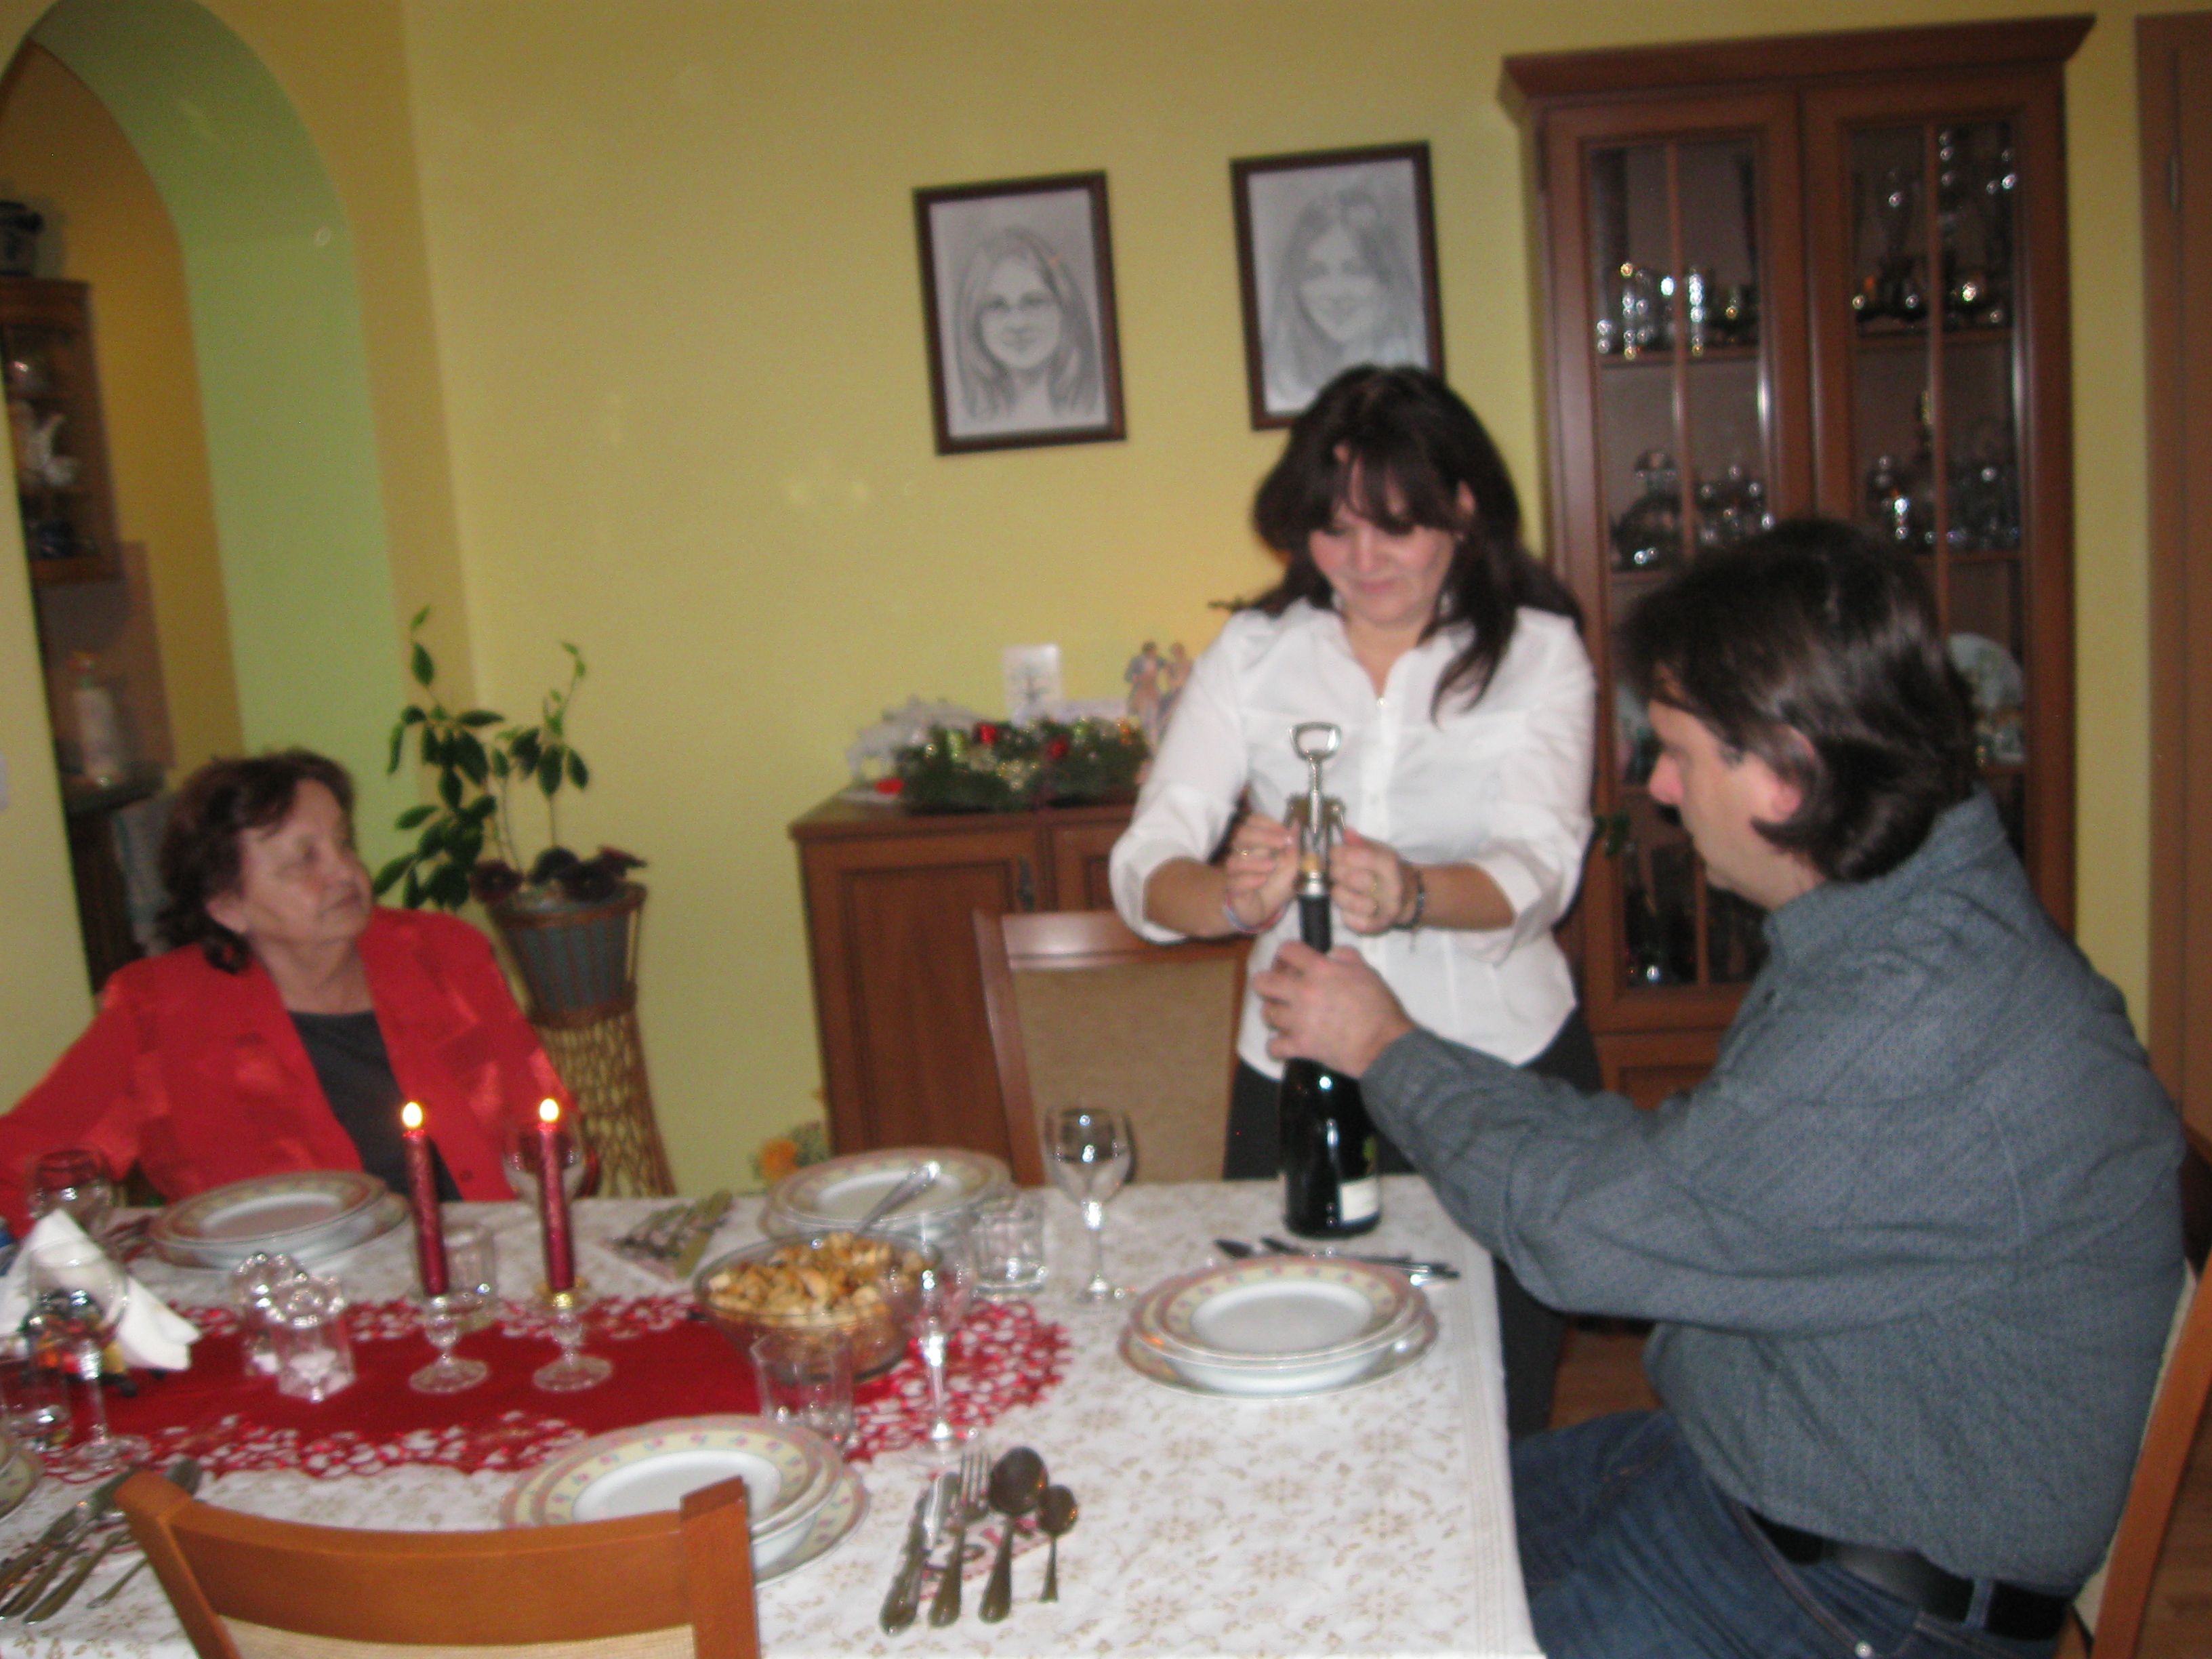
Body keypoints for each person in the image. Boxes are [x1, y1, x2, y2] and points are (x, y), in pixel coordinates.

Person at [1254, 519, 2184, 1659]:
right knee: (1371, 1523)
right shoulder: (1886, 916)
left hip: (1854, 1599)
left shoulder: (1915, 1018)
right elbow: (1667, 1172)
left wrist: (1387, 1050)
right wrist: (1395, 1044)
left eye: (1677, 752)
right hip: (1749, 1479)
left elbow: (1583, 1234)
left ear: (1785, 774)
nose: (1655, 787)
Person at [1108, 365, 1598, 1435]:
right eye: (1334, 531)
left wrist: (1417, 893)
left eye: (1396, 529)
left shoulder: (1540, 653)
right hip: (1301, 1069)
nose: (1361, 561)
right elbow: (1147, 863)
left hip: (1495, 1063)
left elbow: (1542, 865)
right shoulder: (1257, 653)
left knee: (1494, 1399)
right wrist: (1232, 899)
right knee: (1297, 1378)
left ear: (1462, 507)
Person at [0, 750, 571, 1231]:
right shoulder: (158, 1010)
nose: (346, 872)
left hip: (477, 1274)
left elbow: (547, 1138)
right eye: (304, 860)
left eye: (343, 843)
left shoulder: (445, 955)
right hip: (273, 1300)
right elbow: (24, 1169)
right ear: (227, 904)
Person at [1264, 188, 1426, 415]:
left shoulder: (1409, 375)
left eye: (1356, 271)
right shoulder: (1282, 376)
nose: (1335, 293)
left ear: (1387, 279)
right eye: (1316, 273)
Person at [951, 226, 1103, 432]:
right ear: (975, 322)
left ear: (1065, 311)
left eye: (1034, 302)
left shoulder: (1094, 410)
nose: (1018, 324)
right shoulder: (966, 421)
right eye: (996, 306)